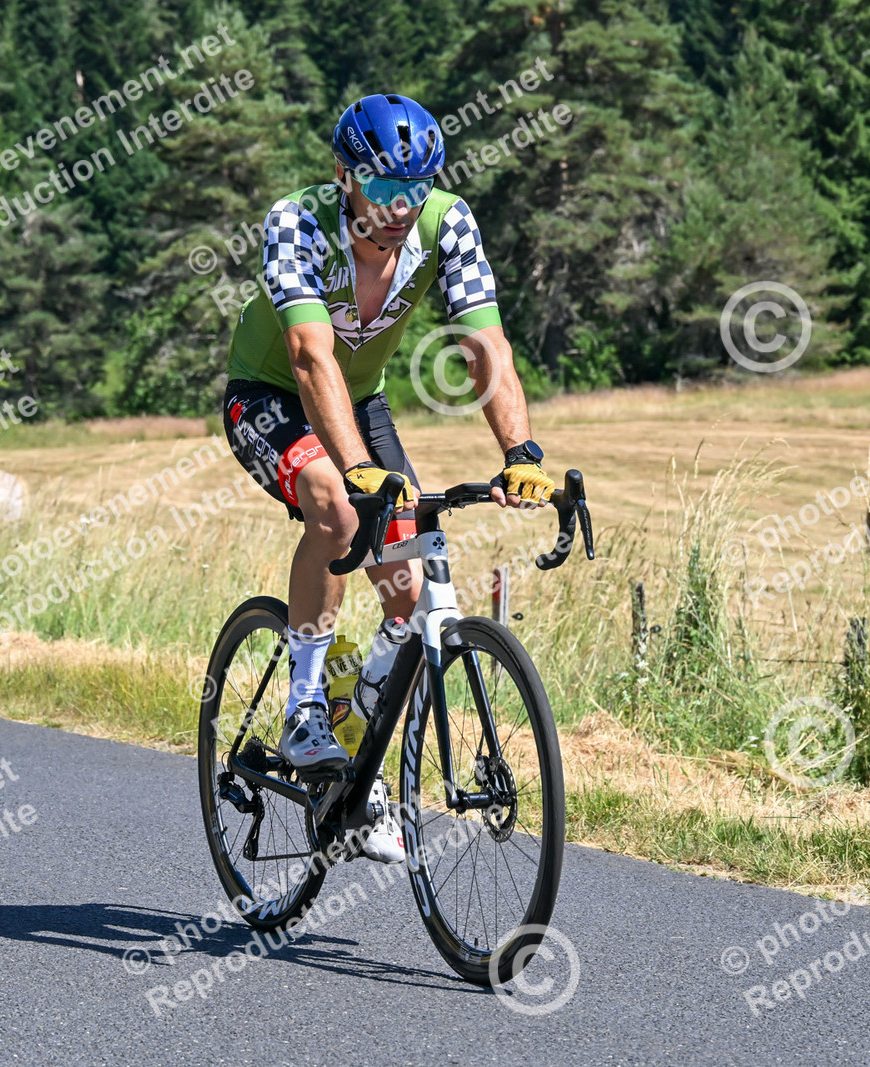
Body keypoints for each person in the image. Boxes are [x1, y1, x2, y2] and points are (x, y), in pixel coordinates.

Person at [221, 93, 554, 863]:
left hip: (361, 402)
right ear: (345, 176)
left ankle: (356, 753)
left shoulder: (448, 222)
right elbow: (310, 356)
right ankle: (305, 707)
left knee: (409, 593)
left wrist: (521, 452)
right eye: (383, 187)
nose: (402, 206)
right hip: (270, 395)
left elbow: (485, 346)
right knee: (337, 510)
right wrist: (356, 469)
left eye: (417, 187)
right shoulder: (298, 222)